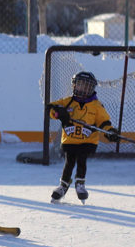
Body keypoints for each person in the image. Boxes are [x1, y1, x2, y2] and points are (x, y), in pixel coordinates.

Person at [46, 71, 116, 203]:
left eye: (87, 86)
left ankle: (80, 184)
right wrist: (58, 113)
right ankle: (63, 185)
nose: (83, 88)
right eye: (80, 85)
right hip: (70, 140)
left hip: (88, 141)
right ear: (74, 85)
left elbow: (104, 122)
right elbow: (50, 108)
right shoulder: (67, 102)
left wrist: (110, 132)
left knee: (82, 160)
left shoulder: (96, 105)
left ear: (92, 88)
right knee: (69, 162)